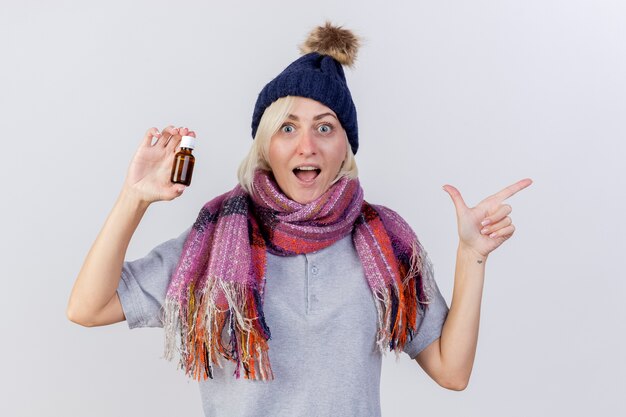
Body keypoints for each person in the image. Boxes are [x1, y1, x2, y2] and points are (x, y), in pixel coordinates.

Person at [67, 22, 532, 417]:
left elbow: (451, 371)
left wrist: (472, 255)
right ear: (266, 145)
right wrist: (134, 198)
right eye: (288, 127)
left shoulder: (385, 244)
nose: (306, 145)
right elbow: (88, 308)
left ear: (345, 147)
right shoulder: (213, 244)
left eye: (324, 127)